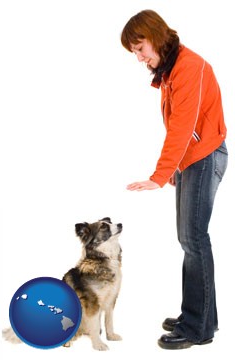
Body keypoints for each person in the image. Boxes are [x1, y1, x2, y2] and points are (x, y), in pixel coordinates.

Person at [121, 9, 228, 350]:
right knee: (189, 241)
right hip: (191, 161)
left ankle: (198, 329)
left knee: (194, 240)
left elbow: (183, 125)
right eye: (134, 53)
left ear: (155, 36)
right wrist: (176, 167)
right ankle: (199, 316)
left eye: (140, 48)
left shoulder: (189, 66)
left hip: (205, 157)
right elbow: (180, 127)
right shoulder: (170, 69)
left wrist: (161, 173)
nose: (138, 58)